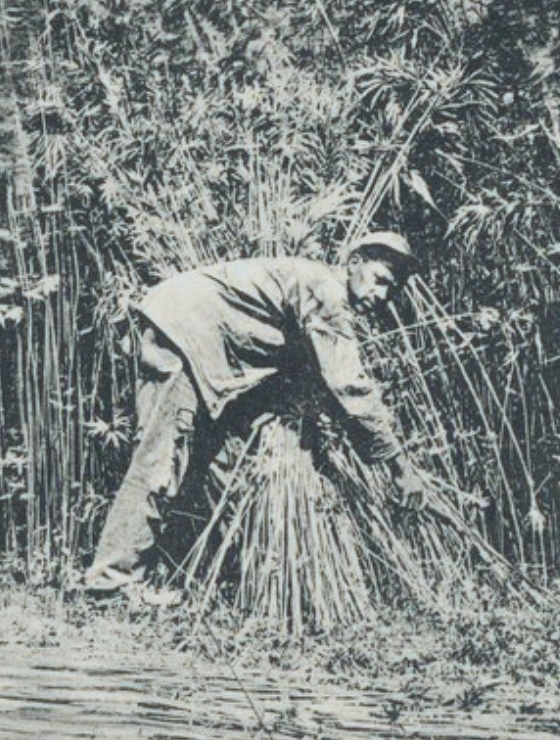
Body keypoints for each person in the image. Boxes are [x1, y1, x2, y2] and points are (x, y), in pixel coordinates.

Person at [83, 232, 427, 599]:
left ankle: (218, 576)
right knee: (161, 458)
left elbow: (328, 388)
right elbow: (348, 385)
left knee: (219, 464)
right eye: (379, 280)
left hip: (201, 347)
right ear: (354, 262)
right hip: (185, 333)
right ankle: (111, 580)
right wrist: (399, 467)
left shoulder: (312, 286)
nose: (382, 295)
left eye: (391, 290)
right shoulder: (326, 289)